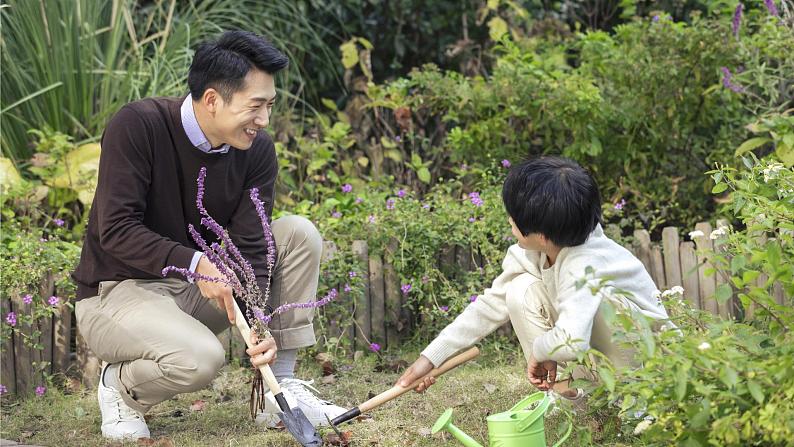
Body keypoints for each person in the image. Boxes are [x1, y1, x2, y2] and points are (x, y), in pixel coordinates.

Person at [72, 30, 344, 441]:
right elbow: (117, 229)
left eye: (270, 106)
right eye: (255, 107)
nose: (264, 120)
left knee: (297, 233)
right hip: (117, 291)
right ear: (213, 99)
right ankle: (120, 388)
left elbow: (253, 246)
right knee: (200, 359)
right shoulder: (139, 125)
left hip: (195, 290)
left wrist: (258, 323)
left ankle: (279, 390)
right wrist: (197, 264)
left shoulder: (256, 150)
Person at [397, 156, 672, 403]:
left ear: (540, 235)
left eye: (513, 219)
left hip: (645, 363)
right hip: (601, 357)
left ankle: (636, 400)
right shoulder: (537, 250)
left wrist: (540, 350)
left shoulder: (584, 262)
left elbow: (572, 341)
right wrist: (431, 357)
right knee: (518, 290)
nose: (509, 221)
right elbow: (491, 304)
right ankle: (568, 395)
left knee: (602, 302)